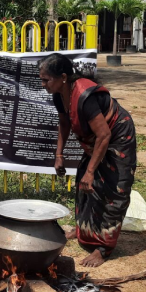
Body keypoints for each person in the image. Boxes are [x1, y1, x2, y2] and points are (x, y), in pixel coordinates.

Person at [39, 53, 137, 268]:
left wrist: (92, 171)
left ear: (63, 77)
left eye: (46, 79)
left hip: (117, 136)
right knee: (83, 183)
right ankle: (83, 230)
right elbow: (64, 123)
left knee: (113, 188)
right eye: (42, 79)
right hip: (99, 138)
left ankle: (103, 247)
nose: (43, 84)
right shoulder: (59, 94)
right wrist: (59, 155)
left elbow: (104, 135)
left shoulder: (85, 95)